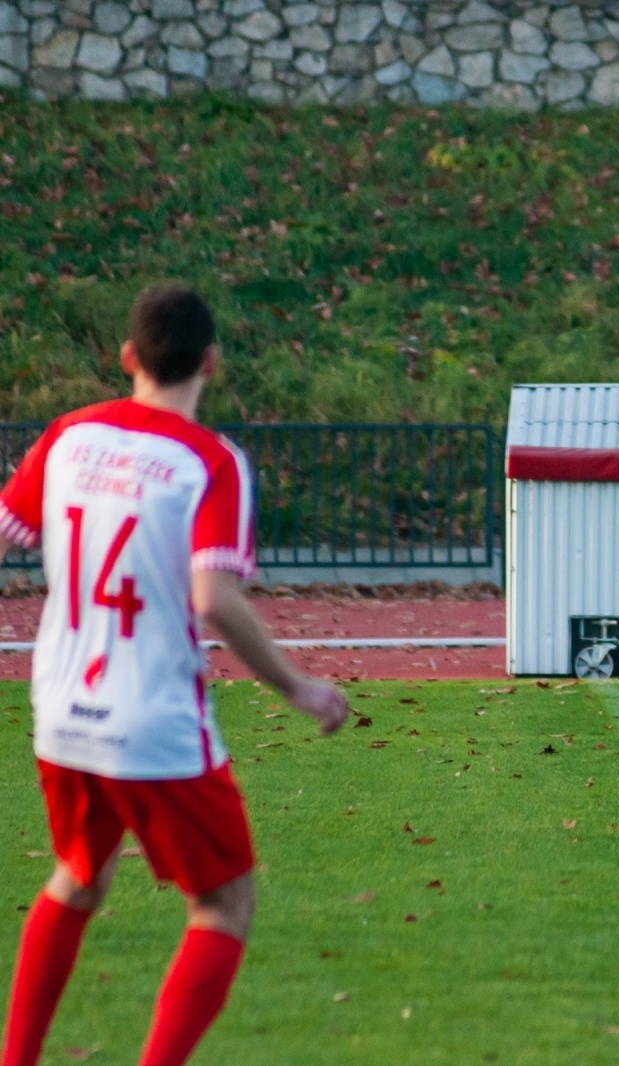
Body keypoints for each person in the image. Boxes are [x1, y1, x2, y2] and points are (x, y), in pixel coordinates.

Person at [0, 287, 349, 1066]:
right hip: (152, 723)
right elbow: (213, 600)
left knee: (77, 877)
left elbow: (6, 530)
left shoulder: (69, 435)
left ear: (127, 358)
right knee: (224, 904)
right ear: (211, 363)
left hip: (62, 712)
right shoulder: (209, 462)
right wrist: (298, 688)